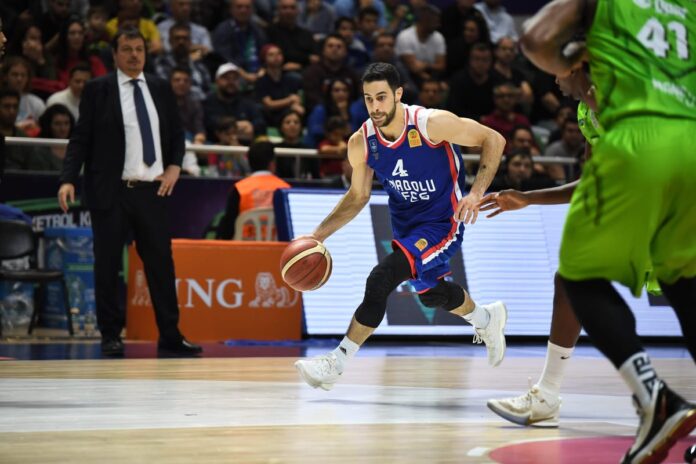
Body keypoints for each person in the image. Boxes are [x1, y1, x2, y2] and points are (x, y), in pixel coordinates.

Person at [521, 1, 696, 462]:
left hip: (640, 133)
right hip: (691, 140)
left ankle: (654, 397)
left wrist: (572, 55)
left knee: (577, 276)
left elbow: (536, 39)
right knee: (684, 283)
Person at [294, 62, 507, 391]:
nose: (375, 107)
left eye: (381, 97)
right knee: (432, 295)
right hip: (406, 228)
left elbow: (493, 139)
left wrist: (476, 193)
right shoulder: (362, 141)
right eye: (368, 99)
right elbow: (358, 196)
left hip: (443, 223)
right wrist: (316, 235)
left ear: (398, 94)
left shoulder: (430, 123)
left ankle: (336, 363)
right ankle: (487, 319)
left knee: (380, 279)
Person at [57, 28, 202, 357]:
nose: (134, 55)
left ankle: (170, 336)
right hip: (112, 191)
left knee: (161, 266)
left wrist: (174, 166)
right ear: (115, 55)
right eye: (127, 49)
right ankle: (110, 335)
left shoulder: (160, 87)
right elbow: (80, 139)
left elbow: (176, 134)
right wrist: (67, 179)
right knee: (108, 266)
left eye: (139, 49)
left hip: (152, 191)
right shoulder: (98, 89)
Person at [216, 141, 290, 240]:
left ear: (249, 163)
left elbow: (227, 231)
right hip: (278, 248)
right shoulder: (286, 190)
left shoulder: (239, 189)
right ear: (272, 163)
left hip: (245, 247)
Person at [8, 104, 73, 172]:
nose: (63, 129)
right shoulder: (38, 151)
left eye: (66, 123)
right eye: (57, 124)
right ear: (48, 125)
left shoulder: (76, 147)